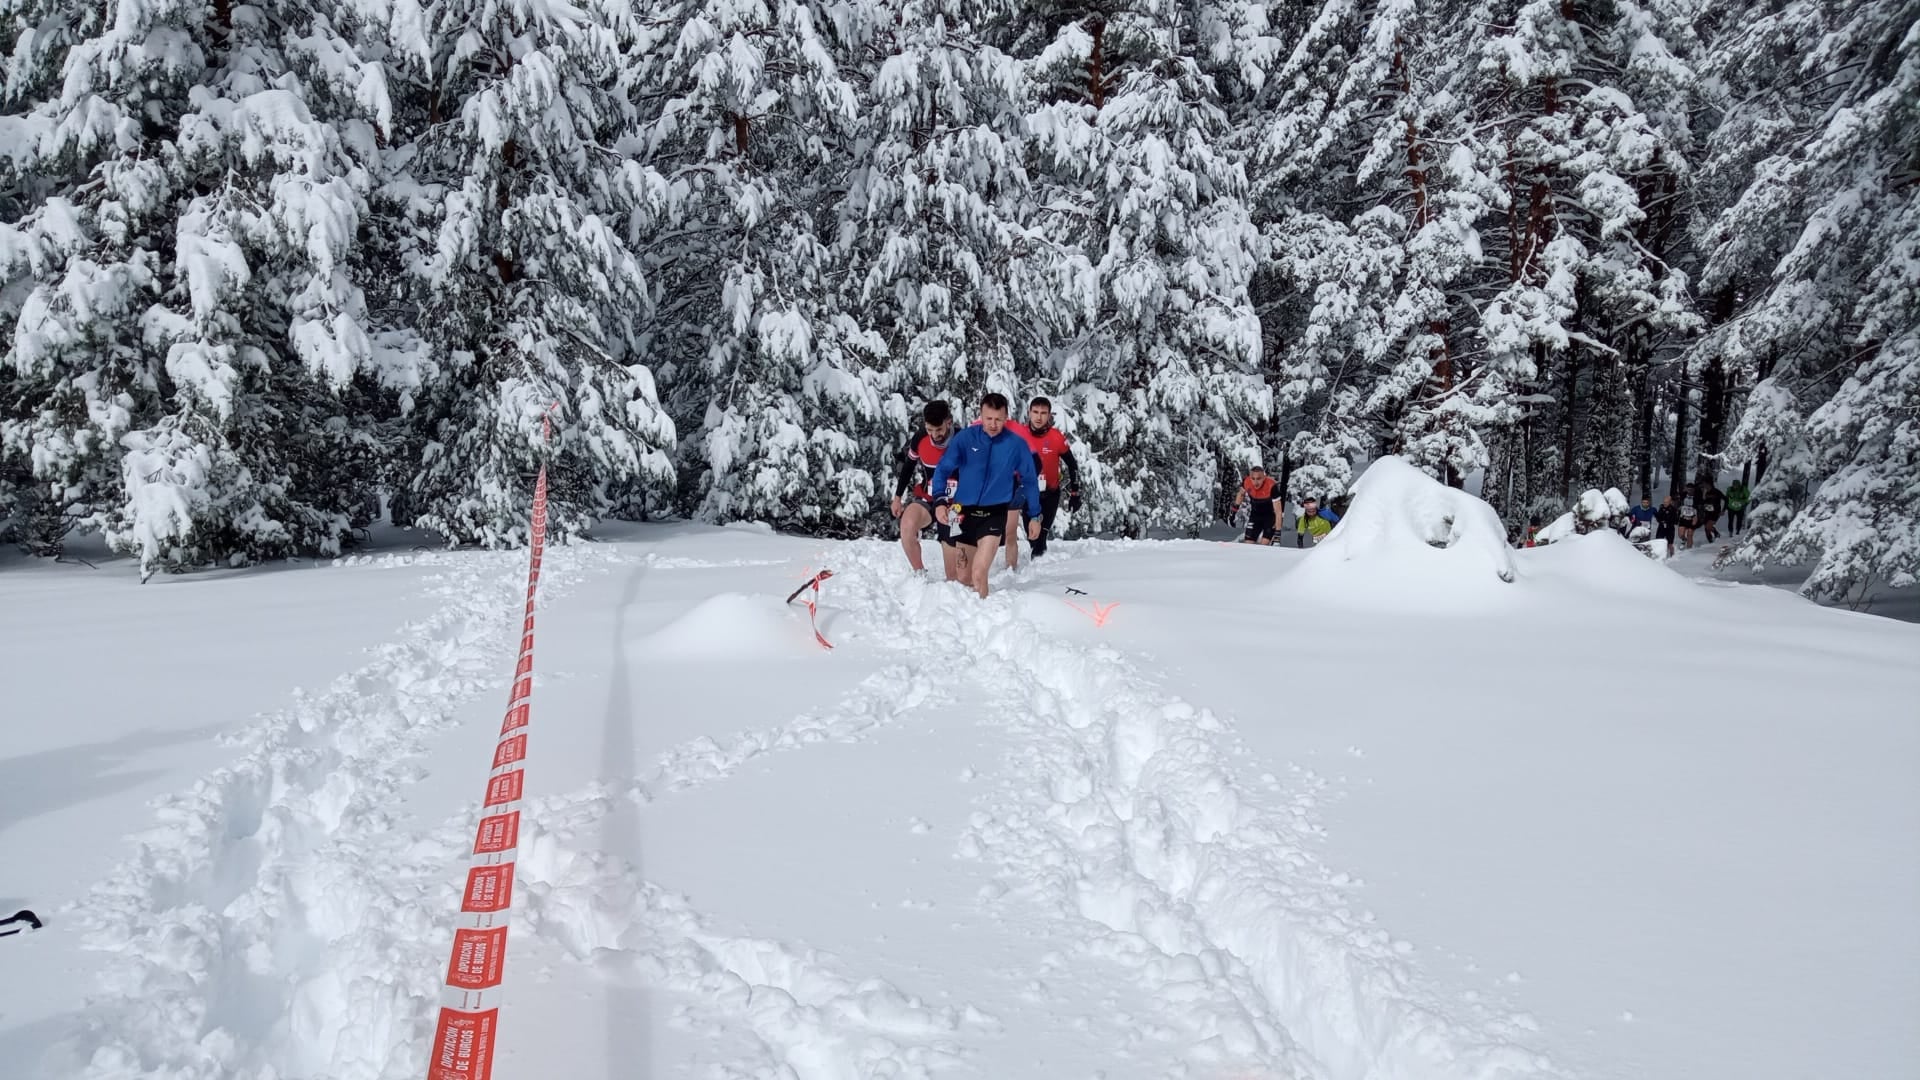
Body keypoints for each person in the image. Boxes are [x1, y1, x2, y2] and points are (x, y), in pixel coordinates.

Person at [930, 393, 1042, 598]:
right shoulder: (965, 439)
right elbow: (943, 469)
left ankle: (985, 616)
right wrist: (939, 500)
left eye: (998, 419)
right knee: (964, 577)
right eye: (988, 418)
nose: (993, 424)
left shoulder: (1016, 445)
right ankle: (971, 620)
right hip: (963, 512)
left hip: (994, 513)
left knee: (979, 573)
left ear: (1006, 417)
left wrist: (1035, 516)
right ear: (980, 415)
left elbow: (1030, 480)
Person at [1000, 397, 1082, 569]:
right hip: (1027, 494)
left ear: (1049, 416)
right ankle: (1037, 567)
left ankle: (1040, 573)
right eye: (1035, 412)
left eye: (1043, 413)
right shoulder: (1019, 435)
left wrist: (1075, 493)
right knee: (1033, 536)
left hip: (1050, 493)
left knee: (1041, 536)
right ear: (1029, 413)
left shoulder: (1056, 437)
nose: (1039, 417)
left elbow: (1072, 465)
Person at [889, 400, 961, 580]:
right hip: (929, 497)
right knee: (907, 526)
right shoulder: (920, 438)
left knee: (953, 576)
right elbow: (908, 467)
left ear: (949, 422)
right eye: (930, 430)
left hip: (956, 504)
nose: (934, 435)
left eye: (939, 430)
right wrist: (898, 497)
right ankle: (920, 575)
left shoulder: (962, 439)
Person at [1232, 466, 1279, 544]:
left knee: (1264, 545)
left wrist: (1278, 533)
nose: (1255, 482)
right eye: (1253, 479)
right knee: (1248, 544)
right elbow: (1240, 494)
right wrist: (1234, 510)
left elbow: (1278, 511)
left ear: (1264, 477)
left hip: (1269, 518)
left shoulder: (1271, 485)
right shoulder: (1246, 482)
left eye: (1259, 479)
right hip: (1255, 516)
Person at [1677, 483, 1700, 549]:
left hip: (1692, 517)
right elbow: (1677, 500)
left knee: (1689, 534)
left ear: (1693, 489)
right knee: (1680, 534)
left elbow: (1700, 507)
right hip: (1683, 517)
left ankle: (1689, 550)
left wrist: (1696, 518)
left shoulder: (1697, 496)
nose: (1689, 490)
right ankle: (1684, 540)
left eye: (1691, 489)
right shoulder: (1683, 495)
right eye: (1688, 489)